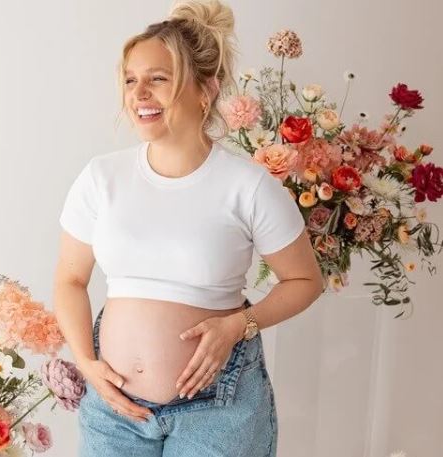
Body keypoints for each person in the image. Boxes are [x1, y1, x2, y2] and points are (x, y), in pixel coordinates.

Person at [52, 1, 324, 455]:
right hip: (114, 413)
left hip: (218, 413)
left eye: (158, 79)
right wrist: (86, 362)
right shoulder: (101, 177)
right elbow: (69, 279)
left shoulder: (248, 186)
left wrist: (238, 325)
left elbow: (305, 281)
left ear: (206, 90)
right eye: (130, 80)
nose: (139, 94)